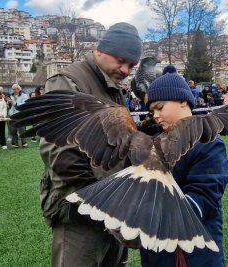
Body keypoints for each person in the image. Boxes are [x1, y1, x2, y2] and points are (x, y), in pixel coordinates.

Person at [41, 22, 142, 267]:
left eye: (131, 65)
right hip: (79, 210)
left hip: (113, 208)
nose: (126, 69)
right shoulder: (68, 82)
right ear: (100, 49)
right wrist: (102, 202)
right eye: (121, 60)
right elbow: (59, 152)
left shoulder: (114, 88)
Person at [140, 73, 228, 267]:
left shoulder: (208, 142)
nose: (155, 115)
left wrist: (149, 219)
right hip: (155, 252)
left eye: (160, 107)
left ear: (183, 101)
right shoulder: (153, 141)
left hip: (193, 254)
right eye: (151, 110)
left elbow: (204, 198)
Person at [7, 84, 29, 148]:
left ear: (19, 89)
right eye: (13, 89)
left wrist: (13, 102)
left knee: (22, 130)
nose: (14, 90)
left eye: (15, 89)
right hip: (11, 115)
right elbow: (9, 107)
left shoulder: (24, 96)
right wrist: (8, 103)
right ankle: (14, 144)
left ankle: (24, 143)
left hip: (20, 115)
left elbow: (23, 105)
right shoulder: (10, 96)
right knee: (12, 130)